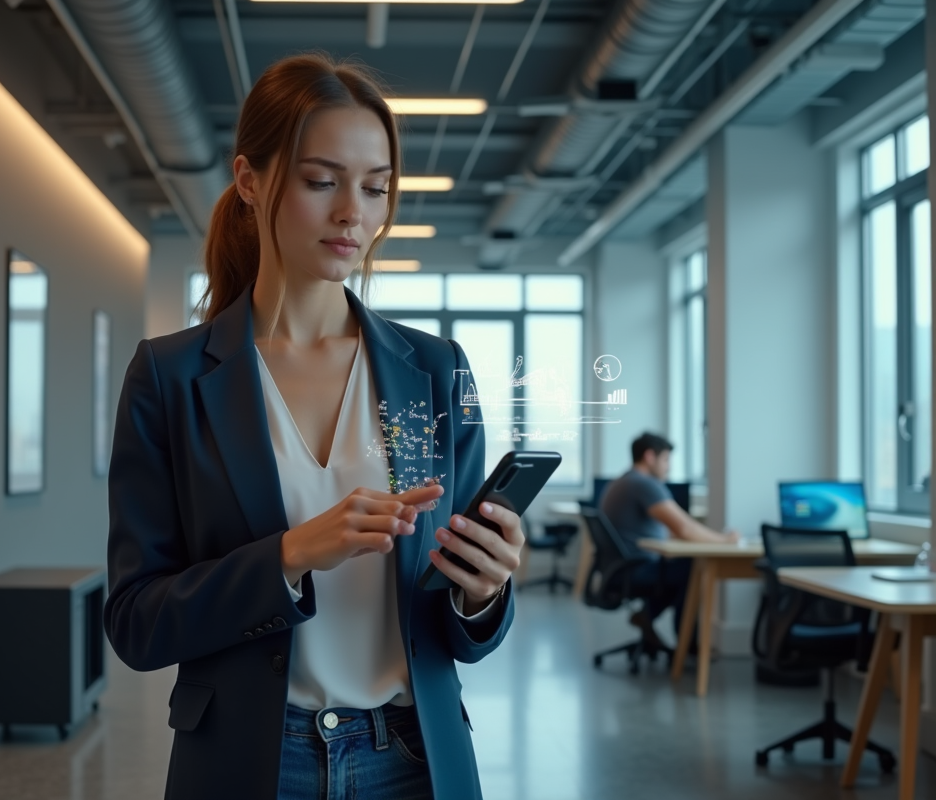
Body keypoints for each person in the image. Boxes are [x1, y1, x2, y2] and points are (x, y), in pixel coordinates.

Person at [105, 53, 522, 800]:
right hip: (250, 761)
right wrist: (291, 555)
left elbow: (454, 626)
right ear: (250, 179)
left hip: (411, 758)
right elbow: (137, 623)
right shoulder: (171, 378)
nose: (352, 214)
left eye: (375, 188)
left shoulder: (433, 371)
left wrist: (482, 590)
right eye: (321, 180)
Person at [599, 432, 737, 649]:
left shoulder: (622, 481)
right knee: (695, 568)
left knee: (683, 568)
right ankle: (688, 647)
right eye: (666, 460)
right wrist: (725, 540)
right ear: (649, 456)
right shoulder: (643, 484)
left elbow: (666, 529)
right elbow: (684, 527)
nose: (668, 467)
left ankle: (648, 616)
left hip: (618, 568)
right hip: (634, 569)